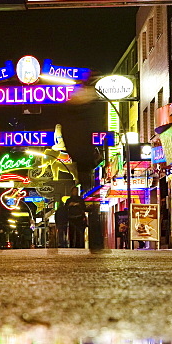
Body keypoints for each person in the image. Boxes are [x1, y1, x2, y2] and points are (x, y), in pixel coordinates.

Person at [60, 86, 105, 251]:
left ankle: (93, 238)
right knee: (92, 201)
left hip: (82, 160)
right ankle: (95, 239)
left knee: (91, 198)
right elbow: (93, 130)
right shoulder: (85, 116)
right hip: (86, 160)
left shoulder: (69, 118)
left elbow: (68, 137)